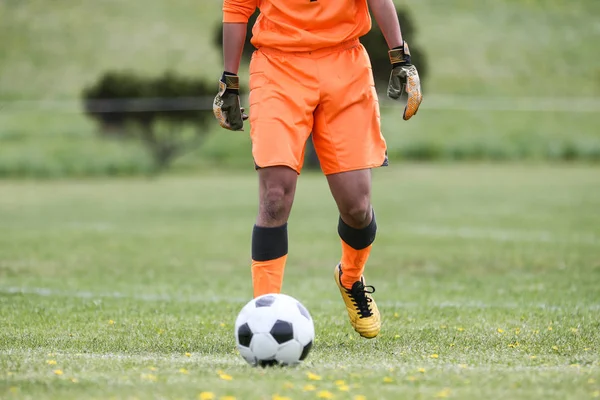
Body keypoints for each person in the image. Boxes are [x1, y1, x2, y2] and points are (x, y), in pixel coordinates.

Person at [213, 0, 422, 339]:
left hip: (345, 65)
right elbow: (237, 8)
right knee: (274, 196)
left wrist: (400, 56)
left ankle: (351, 277)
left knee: (356, 207)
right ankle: (265, 316)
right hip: (278, 67)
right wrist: (230, 80)